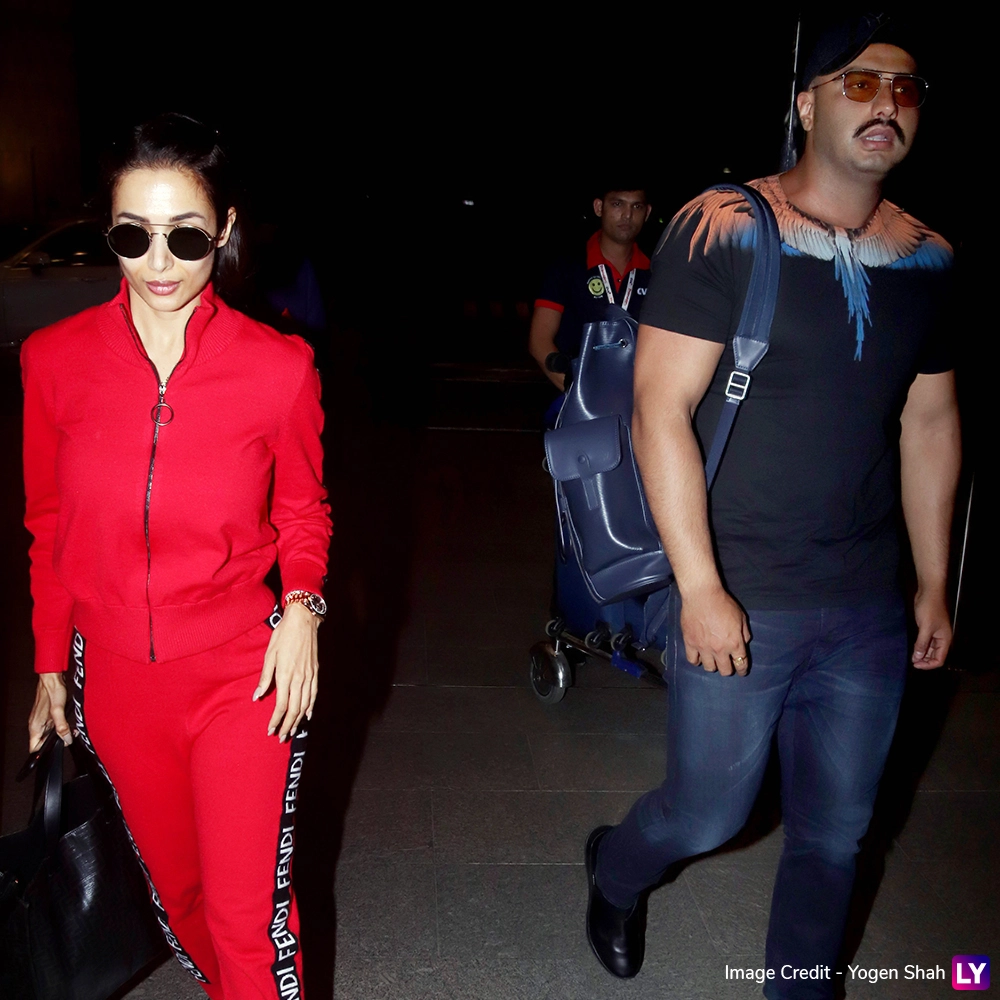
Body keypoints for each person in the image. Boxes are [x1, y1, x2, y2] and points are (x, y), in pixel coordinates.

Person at [585, 16, 959, 998]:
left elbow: (928, 421)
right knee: (708, 814)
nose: (886, 103)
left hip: (866, 604)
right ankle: (616, 869)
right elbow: (655, 411)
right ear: (806, 103)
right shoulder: (723, 225)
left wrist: (930, 580)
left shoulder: (930, 258)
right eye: (861, 82)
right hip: (742, 589)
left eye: (906, 89)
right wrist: (700, 588)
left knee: (836, 834)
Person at [23, 114, 331, 1000]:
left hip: (246, 676)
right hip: (115, 683)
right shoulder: (53, 363)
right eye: (133, 235)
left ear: (225, 230)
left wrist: (302, 608)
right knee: (178, 898)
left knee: (248, 918)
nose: (159, 264)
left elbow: (304, 509)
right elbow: (47, 524)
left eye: (187, 237)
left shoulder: (280, 369)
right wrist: (51, 662)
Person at [528, 186, 652, 392]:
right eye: (617, 204)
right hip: (573, 397)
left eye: (636, 206)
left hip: (637, 400)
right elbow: (539, 339)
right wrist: (575, 392)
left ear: (647, 213)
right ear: (598, 207)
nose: (627, 215)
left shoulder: (657, 272)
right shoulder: (566, 266)